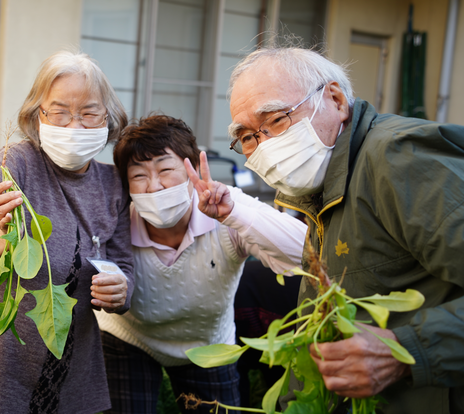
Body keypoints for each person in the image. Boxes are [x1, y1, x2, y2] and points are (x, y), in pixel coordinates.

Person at [227, 46, 464, 414]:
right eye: (248, 137)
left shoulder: (399, 160)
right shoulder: (319, 189)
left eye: (276, 120)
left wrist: (407, 351)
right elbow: (315, 326)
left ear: (335, 99)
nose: (264, 147)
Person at [0, 51, 134, 414]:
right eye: (60, 111)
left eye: (88, 112)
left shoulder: (113, 185)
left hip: (64, 354)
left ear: (108, 117)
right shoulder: (16, 162)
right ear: (39, 115)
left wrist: (122, 289)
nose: (74, 126)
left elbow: (124, 267)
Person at [95, 114, 307, 413]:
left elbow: (306, 253)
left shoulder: (225, 206)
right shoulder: (116, 219)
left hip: (207, 344)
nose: (154, 186)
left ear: (192, 168)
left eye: (166, 170)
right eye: (139, 175)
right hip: (128, 336)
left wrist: (233, 214)